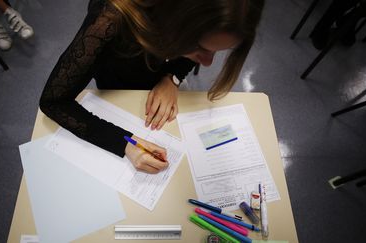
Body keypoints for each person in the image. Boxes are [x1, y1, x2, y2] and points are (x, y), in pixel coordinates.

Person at [39, 0, 265, 174]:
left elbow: (187, 53)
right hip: (118, 85)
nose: (207, 63)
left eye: (216, 50)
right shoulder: (110, 20)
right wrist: (125, 143)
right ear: (174, 20)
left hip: (161, 81)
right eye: (199, 48)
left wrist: (172, 77)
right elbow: (54, 101)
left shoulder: (186, 23)